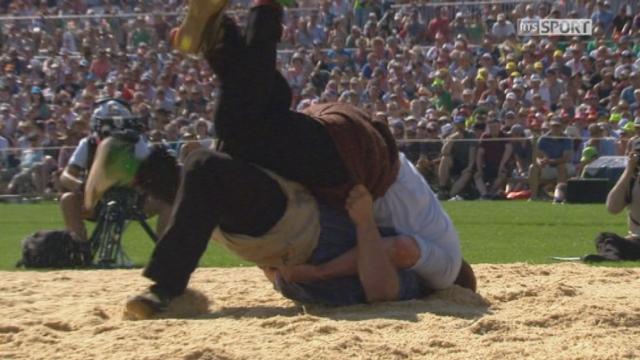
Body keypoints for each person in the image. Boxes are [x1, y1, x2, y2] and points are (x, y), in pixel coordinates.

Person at [118, 0, 474, 318]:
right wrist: (316, 272)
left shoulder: (433, 229)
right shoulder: (446, 269)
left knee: (245, 129)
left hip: (346, 157)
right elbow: (398, 248)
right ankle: (263, 11)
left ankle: (220, 39)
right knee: (236, 132)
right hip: (360, 163)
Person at [58, 99, 172, 244]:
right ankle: (80, 249)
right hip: (96, 202)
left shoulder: (136, 142)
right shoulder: (88, 144)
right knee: (68, 199)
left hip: (133, 200)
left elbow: (153, 171)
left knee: (169, 198)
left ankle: (165, 248)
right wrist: (83, 187)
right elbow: (65, 177)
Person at [528, 117, 575, 202]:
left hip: (564, 166)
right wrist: (540, 162)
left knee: (561, 167)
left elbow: (565, 158)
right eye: (554, 126)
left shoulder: (567, 139)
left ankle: (559, 197)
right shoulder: (543, 139)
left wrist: (549, 161)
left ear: (562, 127)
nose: (556, 128)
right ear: (550, 126)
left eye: (558, 126)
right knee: (533, 168)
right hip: (547, 166)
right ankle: (534, 197)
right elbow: (538, 156)